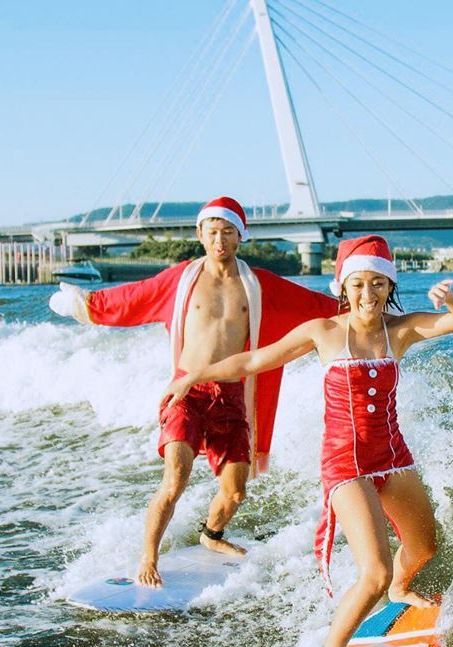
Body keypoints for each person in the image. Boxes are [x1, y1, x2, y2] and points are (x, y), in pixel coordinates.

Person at [162, 235, 453, 647]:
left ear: (389, 286)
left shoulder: (402, 330)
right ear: (343, 287)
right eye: (358, 284)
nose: (368, 294)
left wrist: (450, 299)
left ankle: (400, 588)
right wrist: (194, 375)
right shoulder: (323, 331)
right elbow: (254, 360)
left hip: (392, 455)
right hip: (345, 464)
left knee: (424, 548)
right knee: (374, 572)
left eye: (377, 284)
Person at [49, 196, 337, 587]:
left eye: (228, 232)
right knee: (175, 480)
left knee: (235, 493)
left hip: (232, 397)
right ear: (200, 234)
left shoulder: (258, 285)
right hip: (186, 394)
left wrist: (354, 305)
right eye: (212, 232)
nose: (219, 240)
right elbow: (134, 297)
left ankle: (211, 535)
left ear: (240, 236)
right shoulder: (181, 280)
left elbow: (310, 304)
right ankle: (149, 557)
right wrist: (86, 304)